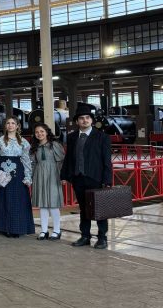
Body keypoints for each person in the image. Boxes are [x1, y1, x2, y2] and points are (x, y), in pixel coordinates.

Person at [61, 104, 113, 249]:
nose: (84, 120)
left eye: (87, 118)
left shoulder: (102, 137)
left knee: (100, 208)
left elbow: (106, 160)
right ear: (77, 121)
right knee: (84, 209)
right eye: (81, 118)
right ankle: (85, 236)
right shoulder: (71, 137)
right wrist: (64, 175)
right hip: (78, 178)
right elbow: (68, 158)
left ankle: (102, 237)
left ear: (91, 120)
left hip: (95, 178)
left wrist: (107, 180)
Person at [0, 117, 35, 238]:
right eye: (8, 123)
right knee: (3, 200)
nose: (11, 125)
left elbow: (26, 160)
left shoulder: (23, 142)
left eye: (13, 123)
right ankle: (3, 227)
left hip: (18, 174)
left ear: (17, 126)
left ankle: (16, 228)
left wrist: (28, 176)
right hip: (3, 173)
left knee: (17, 201)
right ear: (5, 126)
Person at [31, 123, 65, 240]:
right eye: (37, 132)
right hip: (39, 175)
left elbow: (61, 161)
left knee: (53, 203)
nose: (39, 134)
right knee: (43, 204)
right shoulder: (35, 147)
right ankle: (44, 230)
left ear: (47, 132)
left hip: (53, 175)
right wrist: (30, 177)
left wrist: (62, 176)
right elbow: (33, 163)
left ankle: (57, 230)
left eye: (42, 131)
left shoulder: (54, 145)